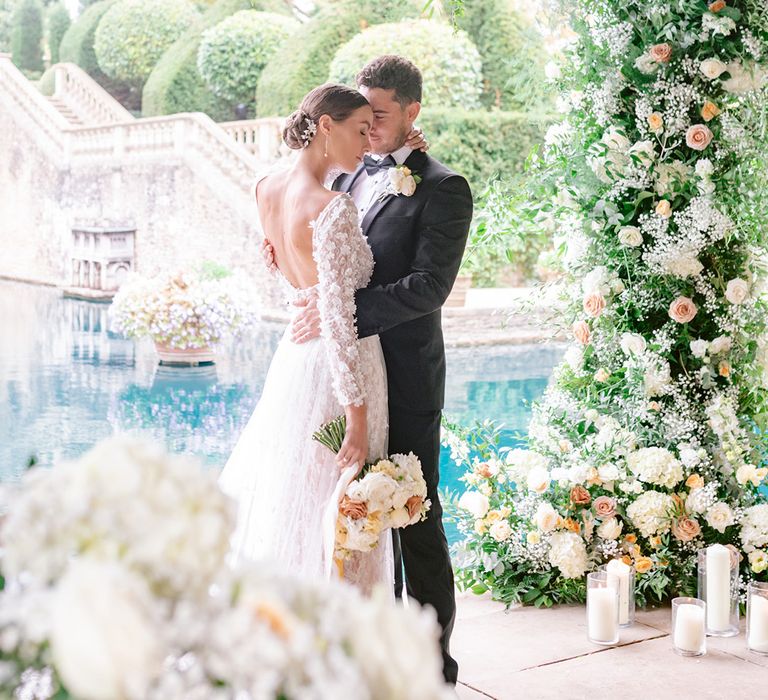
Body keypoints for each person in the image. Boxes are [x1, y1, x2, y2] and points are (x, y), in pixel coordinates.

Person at [265, 56, 473, 685]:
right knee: (340, 514)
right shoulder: (347, 174)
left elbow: (429, 287)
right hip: (343, 373)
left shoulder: (442, 186)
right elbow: (318, 251)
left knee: (414, 514)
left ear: (412, 112)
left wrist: (340, 314)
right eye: (362, 113)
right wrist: (293, 274)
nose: (370, 125)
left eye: (380, 113)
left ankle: (432, 660)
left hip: (404, 375)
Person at [219, 83, 428, 594]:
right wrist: (356, 422)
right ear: (326, 128)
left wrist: (305, 291)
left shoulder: (265, 187)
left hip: (295, 360)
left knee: (296, 497)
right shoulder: (332, 207)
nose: (367, 140)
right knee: (339, 514)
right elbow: (338, 319)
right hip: (343, 367)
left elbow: (280, 265)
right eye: (359, 130)